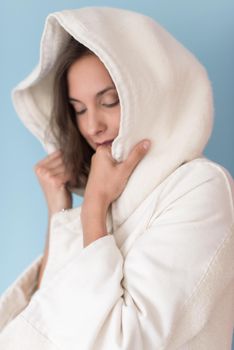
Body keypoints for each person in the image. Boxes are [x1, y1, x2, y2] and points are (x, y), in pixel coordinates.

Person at [0, 6, 233, 350]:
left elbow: (123, 341)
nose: (93, 126)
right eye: (78, 109)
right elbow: (44, 318)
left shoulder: (200, 189)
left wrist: (93, 207)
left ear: (149, 92)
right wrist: (59, 211)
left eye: (109, 101)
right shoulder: (110, 196)